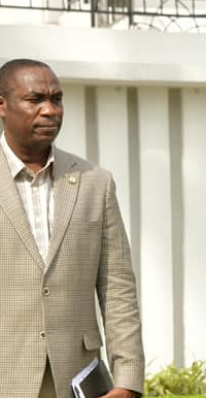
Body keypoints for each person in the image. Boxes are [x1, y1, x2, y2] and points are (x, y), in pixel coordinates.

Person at [0, 59, 144, 397]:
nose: (50, 111)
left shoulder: (96, 182)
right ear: (2, 105)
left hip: (77, 379)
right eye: (35, 100)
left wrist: (128, 379)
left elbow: (118, 288)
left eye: (56, 99)